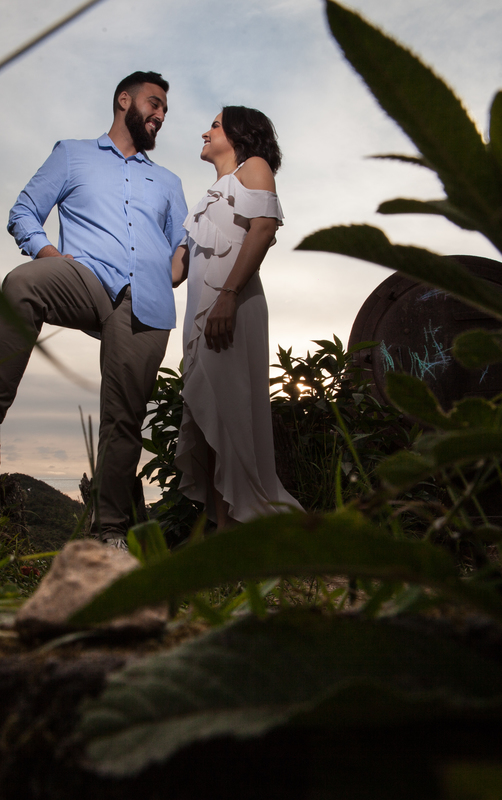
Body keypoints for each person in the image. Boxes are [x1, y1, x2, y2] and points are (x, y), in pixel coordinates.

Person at [0, 71, 188, 548]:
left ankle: (110, 531)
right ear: (123, 100)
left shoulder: (168, 182)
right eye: (154, 104)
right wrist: (48, 254)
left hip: (148, 302)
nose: (159, 116)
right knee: (22, 284)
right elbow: (24, 211)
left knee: (123, 416)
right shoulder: (72, 155)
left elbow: (183, 242)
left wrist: (176, 266)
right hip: (88, 278)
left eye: (164, 112)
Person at [171, 106, 302, 528]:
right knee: (208, 418)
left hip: (233, 307)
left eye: (213, 125)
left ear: (239, 133)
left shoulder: (254, 167)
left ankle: (255, 527)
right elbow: (175, 272)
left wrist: (227, 295)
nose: (204, 132)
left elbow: (264, 228)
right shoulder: (204, 198)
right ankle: (223, 535)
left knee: (231, 415)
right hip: (199, 317)